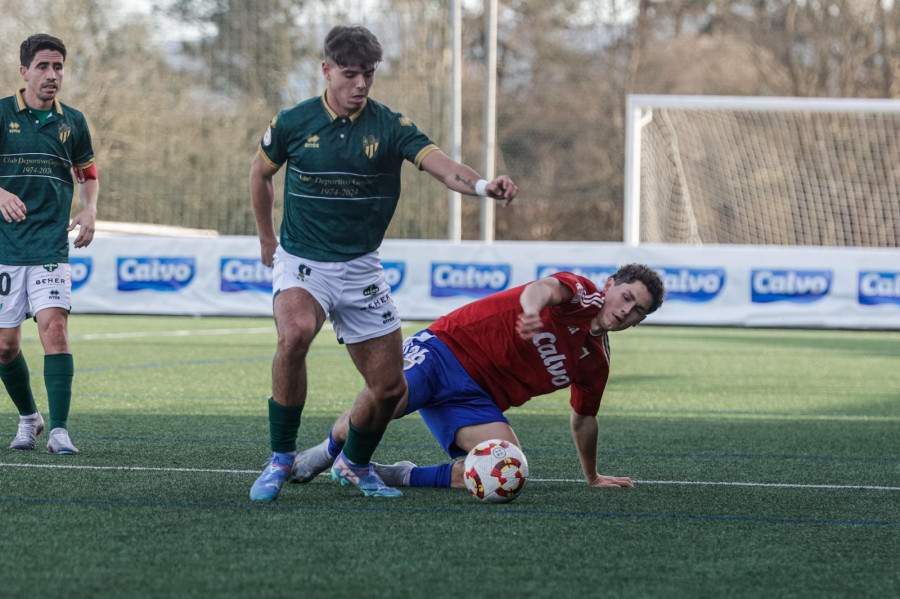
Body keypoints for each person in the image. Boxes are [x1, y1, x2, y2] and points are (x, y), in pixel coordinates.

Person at [248, 25, 518, 501]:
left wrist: (481, 187)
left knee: (389, 389)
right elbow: (260, 172)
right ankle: (280, 457)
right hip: (303, 261)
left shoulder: (390, 127)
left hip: (361, 269)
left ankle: (353, 464)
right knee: (294, 335)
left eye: (368, 75)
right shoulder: (293, 122)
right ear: (327, 70)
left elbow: (444, 166)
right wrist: (267, 236)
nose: (361, 85)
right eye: (350, 75)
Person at [290, 264, 665, 491]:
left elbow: (584, 419)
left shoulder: (596, 362)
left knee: (509, 466)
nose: (626, 310)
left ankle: (397, 475)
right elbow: (542, 288)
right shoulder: (581, 293)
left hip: (473, 402)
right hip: (445, 351)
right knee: (384, 399)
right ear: (610, 283)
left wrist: (593, 476)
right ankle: (326, 452)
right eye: (626, 296)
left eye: (638, 311)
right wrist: (531, 310)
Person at [0, 34, 98, 455]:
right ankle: (29, 418)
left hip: (50, 247)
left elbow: (88, 174)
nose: (52, 75)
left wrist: (90, 209)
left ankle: (59, 429)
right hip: (6, 248)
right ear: (24, 71)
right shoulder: (2, 114)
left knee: (54, 328)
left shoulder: (72, 121)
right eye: (42, 66)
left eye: (58, 66)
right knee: (4, 346)